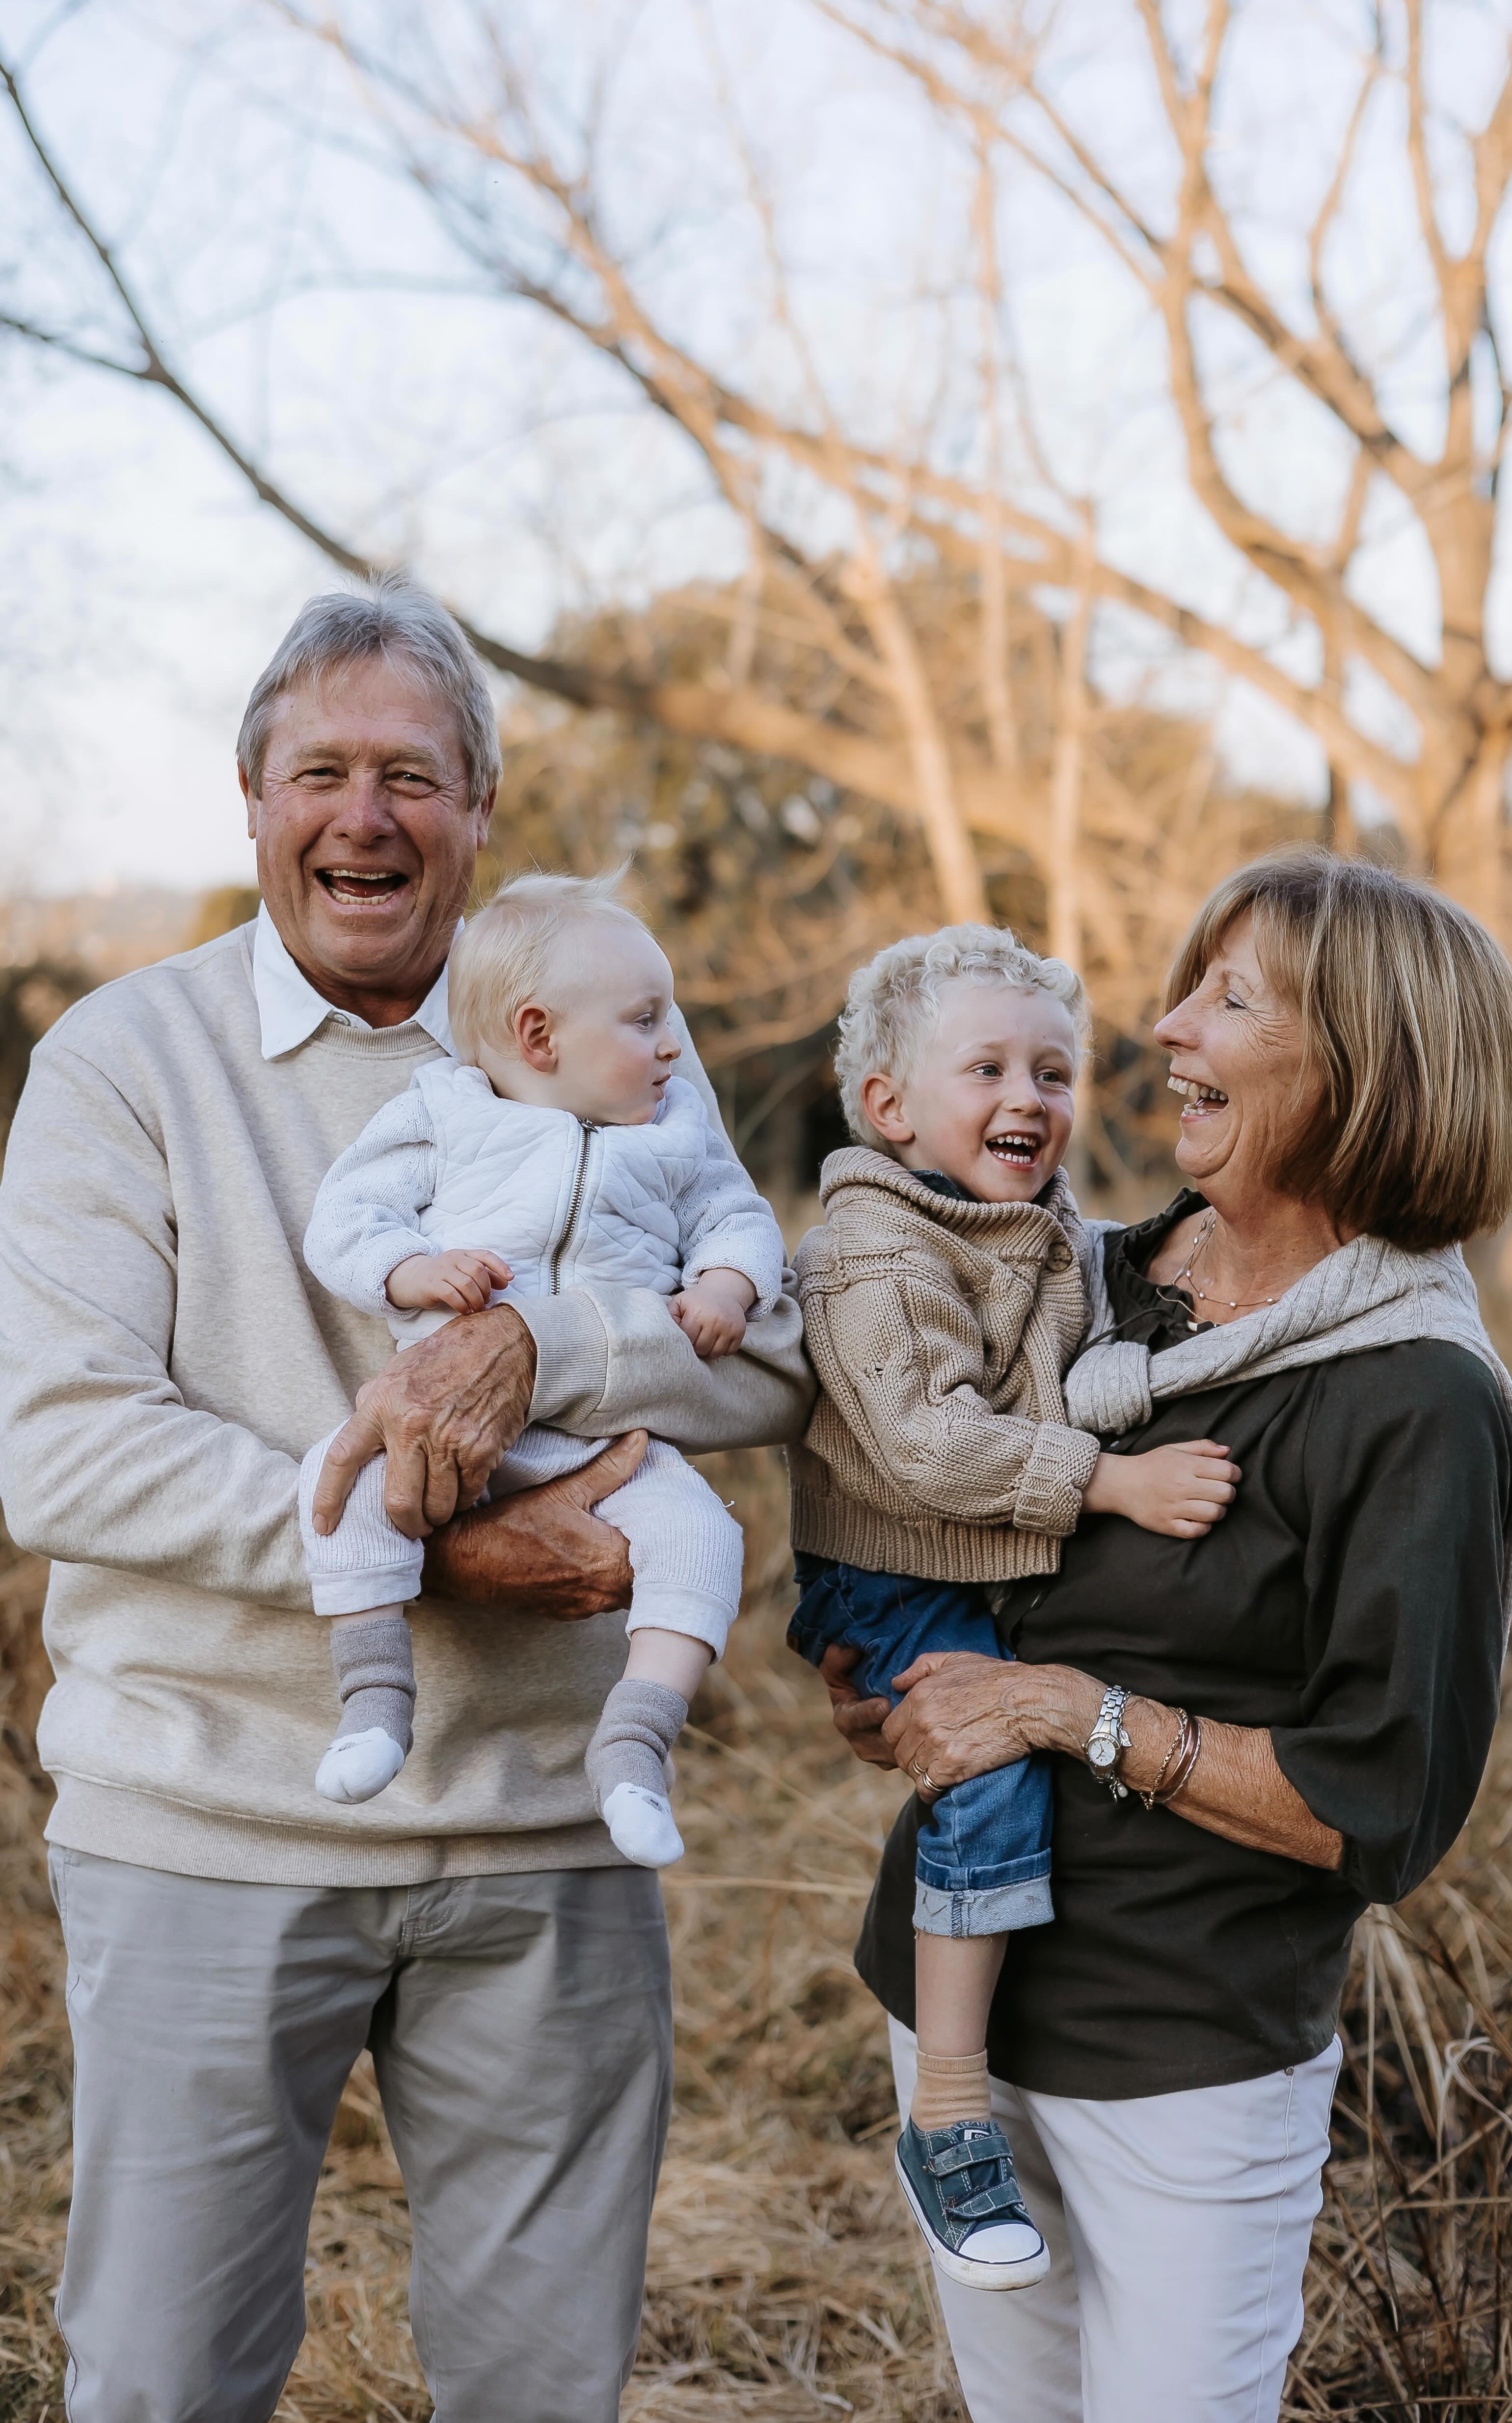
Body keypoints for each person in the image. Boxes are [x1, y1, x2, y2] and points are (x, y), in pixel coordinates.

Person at [0, 575, 813, 2423]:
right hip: (212, 1822)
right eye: (320, 773)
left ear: (481, 808)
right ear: (253, 796)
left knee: (545, 2390)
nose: (364, 817)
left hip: (547, 1837)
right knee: (161, 2381)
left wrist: (553, 1348)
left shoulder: (606, 1028)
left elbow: (776, 1343)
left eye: (413, 777)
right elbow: (62, 1441)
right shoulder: (127, 1063)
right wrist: (435, 1546)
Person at [815, 850, 1512, 2423]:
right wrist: (905, 1689)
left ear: (1361, 1072)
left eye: (1230, 997)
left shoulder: (1420, 1398)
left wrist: (1065, 1708)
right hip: (953, 2016)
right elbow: (945, 1508)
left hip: (1189, 2064)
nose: (1169, 1024)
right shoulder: (1097, 1283)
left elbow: (1380, 1804)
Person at [784, 924, 1238, 2289]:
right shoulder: (872, 1252)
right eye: (984, 1067)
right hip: (902, 1566)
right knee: (989, 1782)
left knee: (1006, 1761)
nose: (1028, 1098)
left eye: (1053, 1070)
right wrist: (1107, 1483)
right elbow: (926, 1446)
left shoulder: (1027, 1228)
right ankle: (951, 2113)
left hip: (972, 1554)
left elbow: (1100, 1270)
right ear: (889, 1108)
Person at [299, 868, 785, 1866]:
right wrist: (412, 1268)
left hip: (608, 1442)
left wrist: (727, 1287)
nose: (670, 1046)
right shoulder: (449, 1114)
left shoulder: (674, 1130)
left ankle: (636, 1744)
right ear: (537, 1038)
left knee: (700, 1535)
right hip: (445, 1431)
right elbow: (346, 1218)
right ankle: (375, 1700)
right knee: (335, 1485)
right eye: (646, 1021)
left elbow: (738, 1216)